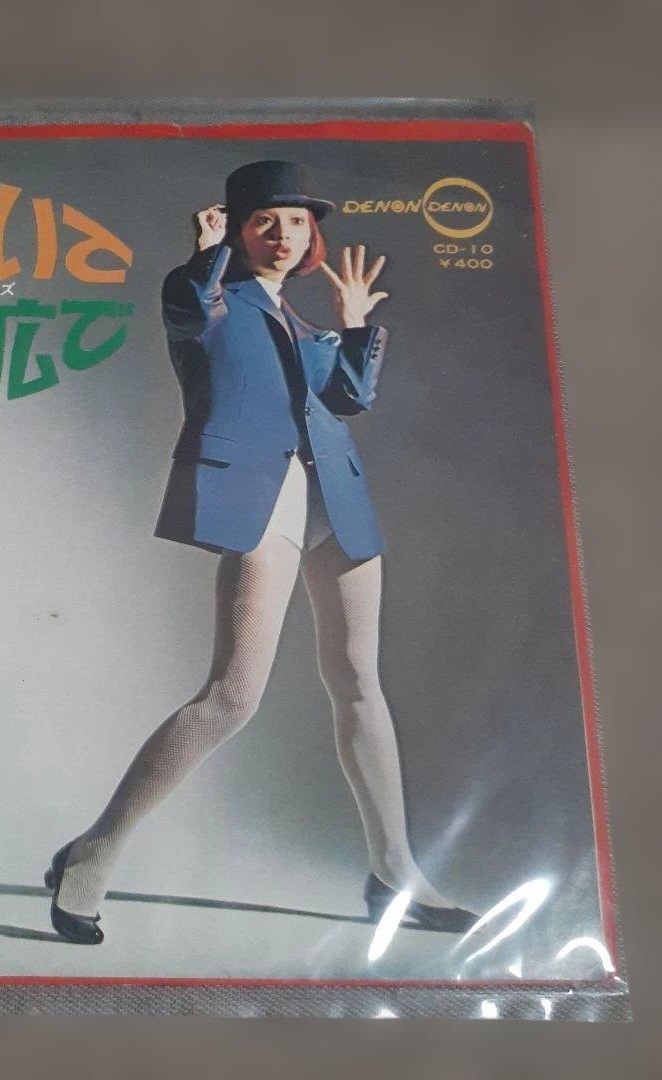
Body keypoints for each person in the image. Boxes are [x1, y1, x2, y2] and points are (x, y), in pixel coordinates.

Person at [44, 160, 478, 945]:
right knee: (232, 697)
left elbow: (348, 398)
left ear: (313, 234)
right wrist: (205, 255)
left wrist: (355, 325)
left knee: (360, 681)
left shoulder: (300, 322)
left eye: (298, 222)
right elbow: (187, 307)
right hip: (263, 498)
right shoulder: (210, 300)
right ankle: (92, 856)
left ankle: (395, 874)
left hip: (336, 498)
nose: (284, 235)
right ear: (237, 230)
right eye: (264, 221)